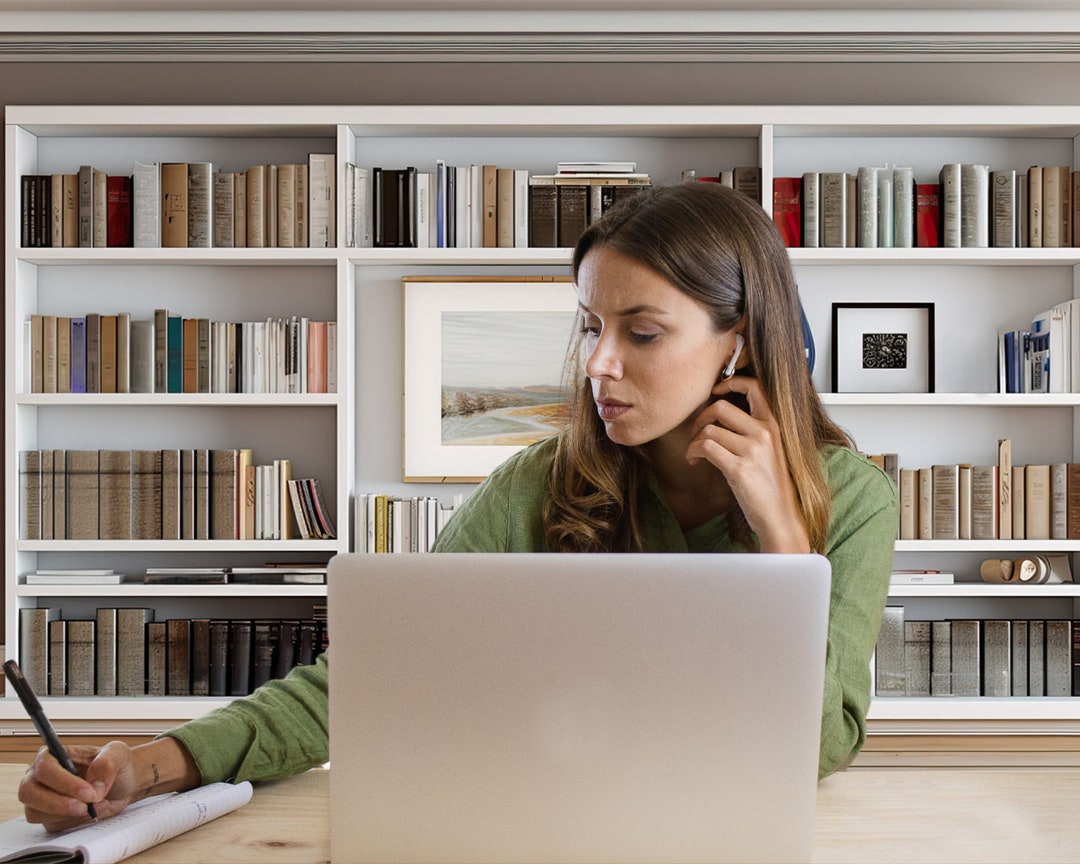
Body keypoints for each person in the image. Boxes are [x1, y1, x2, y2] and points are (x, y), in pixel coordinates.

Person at [18, 181, 897, 831]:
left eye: (643, 331)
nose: (597, 363)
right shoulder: (536, 485)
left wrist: (786, 543)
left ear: (737, 341)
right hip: (528, 824)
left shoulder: (851, 500)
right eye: (591, 326)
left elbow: (819, 749)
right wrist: (156, 763)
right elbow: (368, 681)